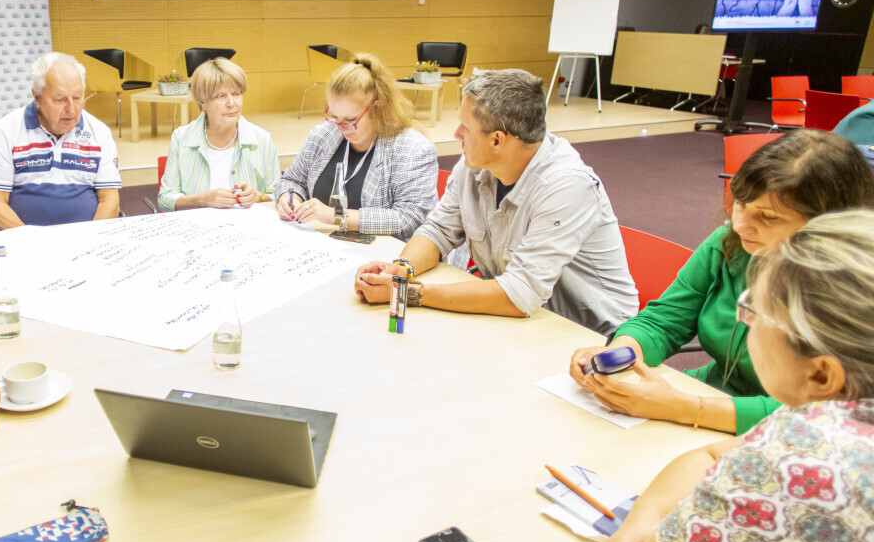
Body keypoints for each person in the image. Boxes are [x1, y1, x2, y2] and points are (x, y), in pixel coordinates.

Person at [591, 209, 874, 542]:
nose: (743, 320)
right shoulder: (834, 419)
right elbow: (710, 454)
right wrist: (646, 517)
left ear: (821, 375)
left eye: (754, 312)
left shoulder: (806, 460)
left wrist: (645, 535)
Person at [569, 129, 874, 435]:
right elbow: (664, 320)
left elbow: (827, 413)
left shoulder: (852, 294)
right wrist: (620, 353)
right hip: (704, 396)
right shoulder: (729, 243)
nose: (740, 225)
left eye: (768, 217)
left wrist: (684, 407)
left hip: (780, 430)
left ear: (828, 225)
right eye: (741, 204)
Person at [353, 68, 637, 336]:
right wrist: (402, 269)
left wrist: (408, 292)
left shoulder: (567, 187)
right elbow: (437, 231)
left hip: (589, 337)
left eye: (466, 127)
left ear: (497, 141)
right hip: (521, 322)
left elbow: (519, 295)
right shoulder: (474, 166)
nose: (456, 134)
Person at [274, 52, 437, 241]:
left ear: (377, 108)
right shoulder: (323, 135)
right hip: (325, 245)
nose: (340, 127)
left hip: (385, 254)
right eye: (335, 116)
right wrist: (289, 197)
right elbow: (292, 180)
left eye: (350, 119)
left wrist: (337, 216)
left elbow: (408, 218)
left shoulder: (411, 149)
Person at [0, 51, 121, 227]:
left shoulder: (99, 132)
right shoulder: (6, 131)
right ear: (37, 97)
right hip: (24, 239)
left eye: (77, 98)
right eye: (60, 100)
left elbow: (110, 201)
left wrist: (91, 238)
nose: (71, 109)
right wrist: (30, 239)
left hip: (87, 238)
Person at [158, 58, 280, 212]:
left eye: (236, 94)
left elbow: (279, 195)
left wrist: (258, 196)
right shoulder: (181, 138)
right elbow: (165, 199)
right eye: (221, 96)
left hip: (248, 225)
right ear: (203, 102)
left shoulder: (262, 139)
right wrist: (202, 200)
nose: (231, 103)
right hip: (198, 225)